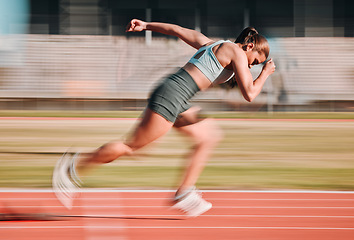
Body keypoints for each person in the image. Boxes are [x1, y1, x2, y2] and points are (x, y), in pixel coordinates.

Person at [52, 19, 275, 217]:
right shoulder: (235, 52)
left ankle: (184, 192)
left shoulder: (212, 44)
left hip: (175, 93)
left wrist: (146, 25)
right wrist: (264, 74)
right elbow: (250, 94)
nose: (250, 67)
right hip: (173, 94)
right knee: (130, 147)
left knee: (208, 137)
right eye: (254, 62)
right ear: (249, 46)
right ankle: (72, 168)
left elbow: (177, 30)